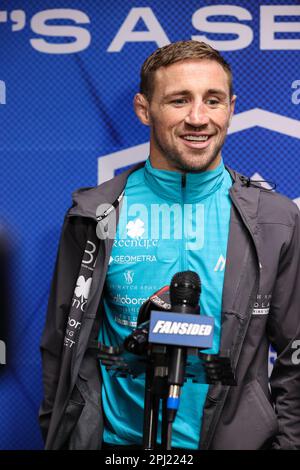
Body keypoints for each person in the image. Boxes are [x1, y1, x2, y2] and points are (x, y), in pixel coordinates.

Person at [39, 40, 300, 450]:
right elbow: (62, 343)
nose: (198, 118)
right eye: (179, 100)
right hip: (117, 448)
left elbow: (295, 352)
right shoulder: (95, 213)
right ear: (145, 109)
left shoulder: (276, 219)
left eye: (212, 100)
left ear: (231, 107)